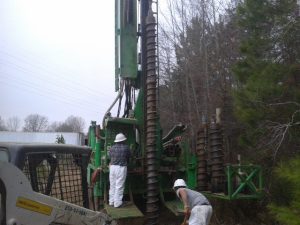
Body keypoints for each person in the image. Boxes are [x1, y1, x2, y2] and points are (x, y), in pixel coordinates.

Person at [108, 133, 131, 208]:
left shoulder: (112, 148)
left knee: (112, 185)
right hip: (121, 168)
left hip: (112, 167)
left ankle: (111, 202)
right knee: (119, 186)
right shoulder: (126, 148)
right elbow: (129, 157)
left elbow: (109, 156)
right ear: (123, 140)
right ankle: (117, 203)